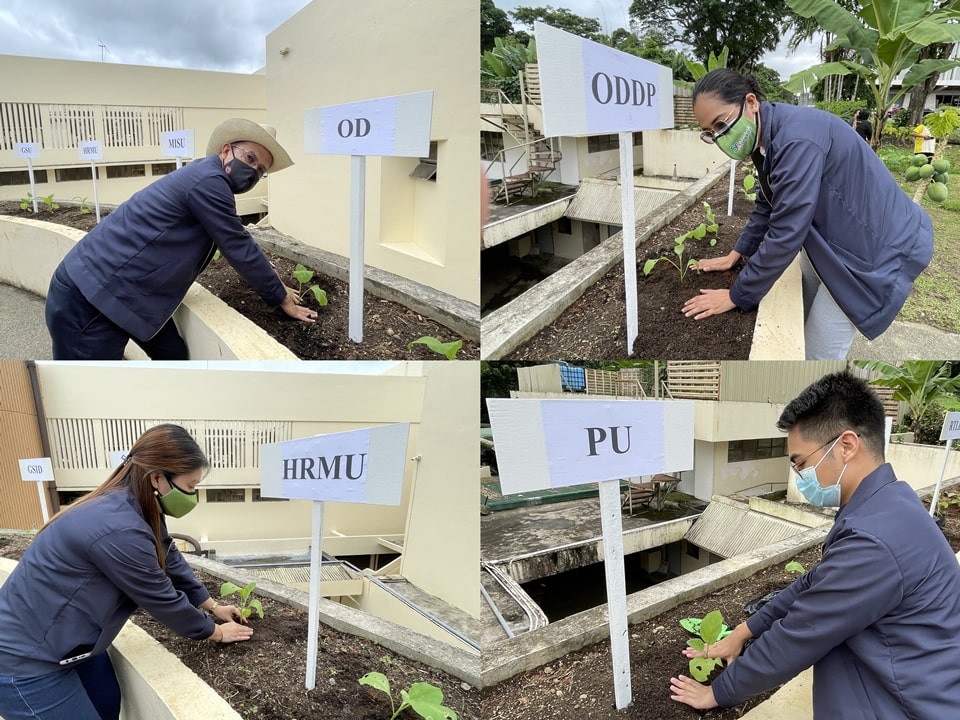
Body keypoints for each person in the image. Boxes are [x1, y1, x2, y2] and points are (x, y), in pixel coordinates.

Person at [669, 371, 960, 718]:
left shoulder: (873, 542)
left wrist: (718, 692)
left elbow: (798, 636)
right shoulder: (887, 504)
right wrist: (744, 631)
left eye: (801, 463)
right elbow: (815, 583)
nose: (800, 476)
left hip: (904, 704)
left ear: (847, 446)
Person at [0, 424, 252, 720]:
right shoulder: (118, 527)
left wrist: (211, 605)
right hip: (27, 660)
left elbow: (168, 556)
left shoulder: (140, 507)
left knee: (107, 705)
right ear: (157, 478)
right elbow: (159, 596)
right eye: (191, 486)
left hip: (72, 644)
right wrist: (215, 632)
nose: (192, 496)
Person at [682, 69, 934, 360]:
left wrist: (737, 294)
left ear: (751, 102)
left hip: (872, 252)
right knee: (804, 319)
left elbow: (788, 231)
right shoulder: (767, 136)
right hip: (834, 240)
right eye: (710, 133)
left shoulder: (796, 139)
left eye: (721, 124)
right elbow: (768, 202)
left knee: (818, 356)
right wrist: (736, 253)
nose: (720, 137)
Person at [45, 117, 317, 360]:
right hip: (91, 299)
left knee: (172, 353)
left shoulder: (206, 175)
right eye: (250, 159)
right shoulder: (208, 181)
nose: (254, 171)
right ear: (226, 150)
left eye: (260, 170)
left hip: (126, 291)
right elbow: (236, 244)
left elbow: (235, 236)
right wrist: (279, 297)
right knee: (98, 388)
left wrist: (273, 279)